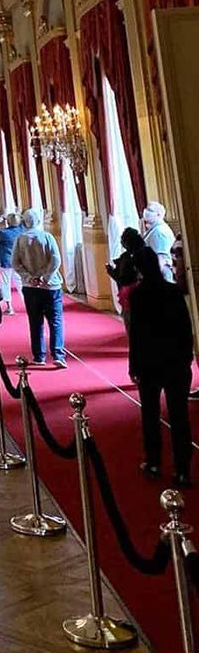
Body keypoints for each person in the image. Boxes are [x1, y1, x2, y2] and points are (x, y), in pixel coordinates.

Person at [129, 247, 194, 486]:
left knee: (151, 414)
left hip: (150, 363)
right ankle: (182, 469)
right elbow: (186, 328)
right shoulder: (173, 292)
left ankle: (154, 462)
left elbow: (135, 334)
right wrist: (187, 358)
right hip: (176, 361)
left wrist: (133, 364)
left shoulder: (138, 296)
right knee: (179, 417)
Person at [12, 207, 67, 369]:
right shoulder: (46, 237)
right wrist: (45, 276)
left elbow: (15, 263)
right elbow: (55, 259)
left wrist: (30, 277)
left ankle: (39, 356)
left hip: (30, 287)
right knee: (55, 321)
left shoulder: (20, 239)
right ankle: (58, 354)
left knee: (35, 322)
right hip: (50, 286)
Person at [106, 227, 146, 336]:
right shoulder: (146, 253)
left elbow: (123, 279)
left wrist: (110, 271)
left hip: (131, 296)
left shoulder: (127, 258)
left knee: (132, 325)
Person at [0, 212, 24, 315]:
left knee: (5, 283)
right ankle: (29, 304)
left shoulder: (4, 233)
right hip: (19, 261)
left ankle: (9, 307)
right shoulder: (22, 231)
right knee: (20, 283)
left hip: (6, 261)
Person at [141, 201, 175, 282]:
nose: (146, 212)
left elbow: (161, 257)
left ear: (158, 214)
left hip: (162, 273)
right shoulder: (154, 229)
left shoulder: (159, 231)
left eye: (150, 210)